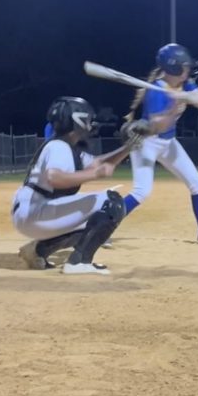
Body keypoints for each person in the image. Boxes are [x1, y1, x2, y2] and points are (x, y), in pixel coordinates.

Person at [120, 43, 198, 246]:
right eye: (185, 66)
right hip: (146, 143)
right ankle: (103, 226)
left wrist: (183, 96)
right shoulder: (156, 92)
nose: (188, 70)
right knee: (142, 191)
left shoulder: (183, 84)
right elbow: (158, 125)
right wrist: (172, 107)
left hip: (168, 144)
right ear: (175, 68)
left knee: (197, 183)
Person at [13, 97, 131, 275]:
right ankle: (79, 262)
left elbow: (98, 162)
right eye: (88, 119)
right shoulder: (59, 147)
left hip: (34, 212)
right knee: (111, 203)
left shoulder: (66, 147)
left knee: (93, 222)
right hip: (35, 212)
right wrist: (95, 175)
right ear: (77, 120)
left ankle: (37, 251)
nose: (91, 123)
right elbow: (55, 178)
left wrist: (129, 147)